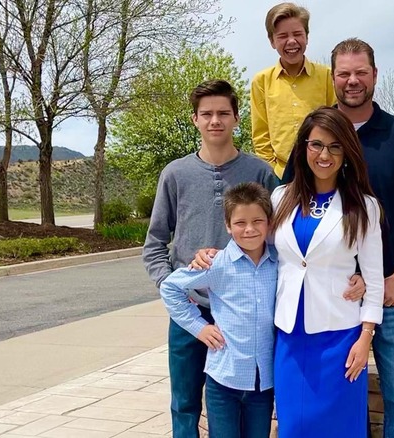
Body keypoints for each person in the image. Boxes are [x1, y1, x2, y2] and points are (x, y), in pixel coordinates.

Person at [281, 38, 394, 437]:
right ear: (332, 77)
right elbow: (286, 210)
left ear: (374, 75)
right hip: (329, 304)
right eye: (343, 73)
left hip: (391, 292)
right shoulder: (316, 134)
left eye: (361, 72)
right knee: (330, 403)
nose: (352, 80)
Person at [142, 79, 278, 438]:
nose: (215, 120)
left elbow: (281, 236)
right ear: (195, 120)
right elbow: (155, 241)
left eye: (223, 113)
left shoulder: (261, 173)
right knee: (185, 402)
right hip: (193, 309)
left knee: (244, 397)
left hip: (241, 311)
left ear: (236, 118)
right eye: (207, 114)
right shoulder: (175, 174)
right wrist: (170, 284)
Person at [272, 106, 383, 437]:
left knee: (339, 428)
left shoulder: (363, 207)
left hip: (341, 338)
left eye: (335, 147)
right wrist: (214, 256)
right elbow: (261, 255)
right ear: (303, 147)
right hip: (290, 337)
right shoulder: (279, 198)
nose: (325, 154)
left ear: (347, 153)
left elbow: (375, 279)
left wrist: (365, 338)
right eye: (317, 144)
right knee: (293, 427)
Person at [159, 182, 277, 438]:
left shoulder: (279, 263)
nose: (249, 229)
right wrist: (199, 328)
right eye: (240, 223)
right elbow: (170, 288)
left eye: (258, 221)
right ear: (227, 225)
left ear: (269, 222)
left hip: (263, 383)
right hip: (224, 380)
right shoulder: (217, 263)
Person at [251, 2, 336, 178]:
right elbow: (261, 136)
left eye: (298, 34)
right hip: (280, 175)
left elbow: (336, 126)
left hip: (323, 171)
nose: (291, 41)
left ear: (307, 37)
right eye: (282, 36)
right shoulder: (261, 81)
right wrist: (274, 170)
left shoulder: (327, 76)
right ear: (272, 41)